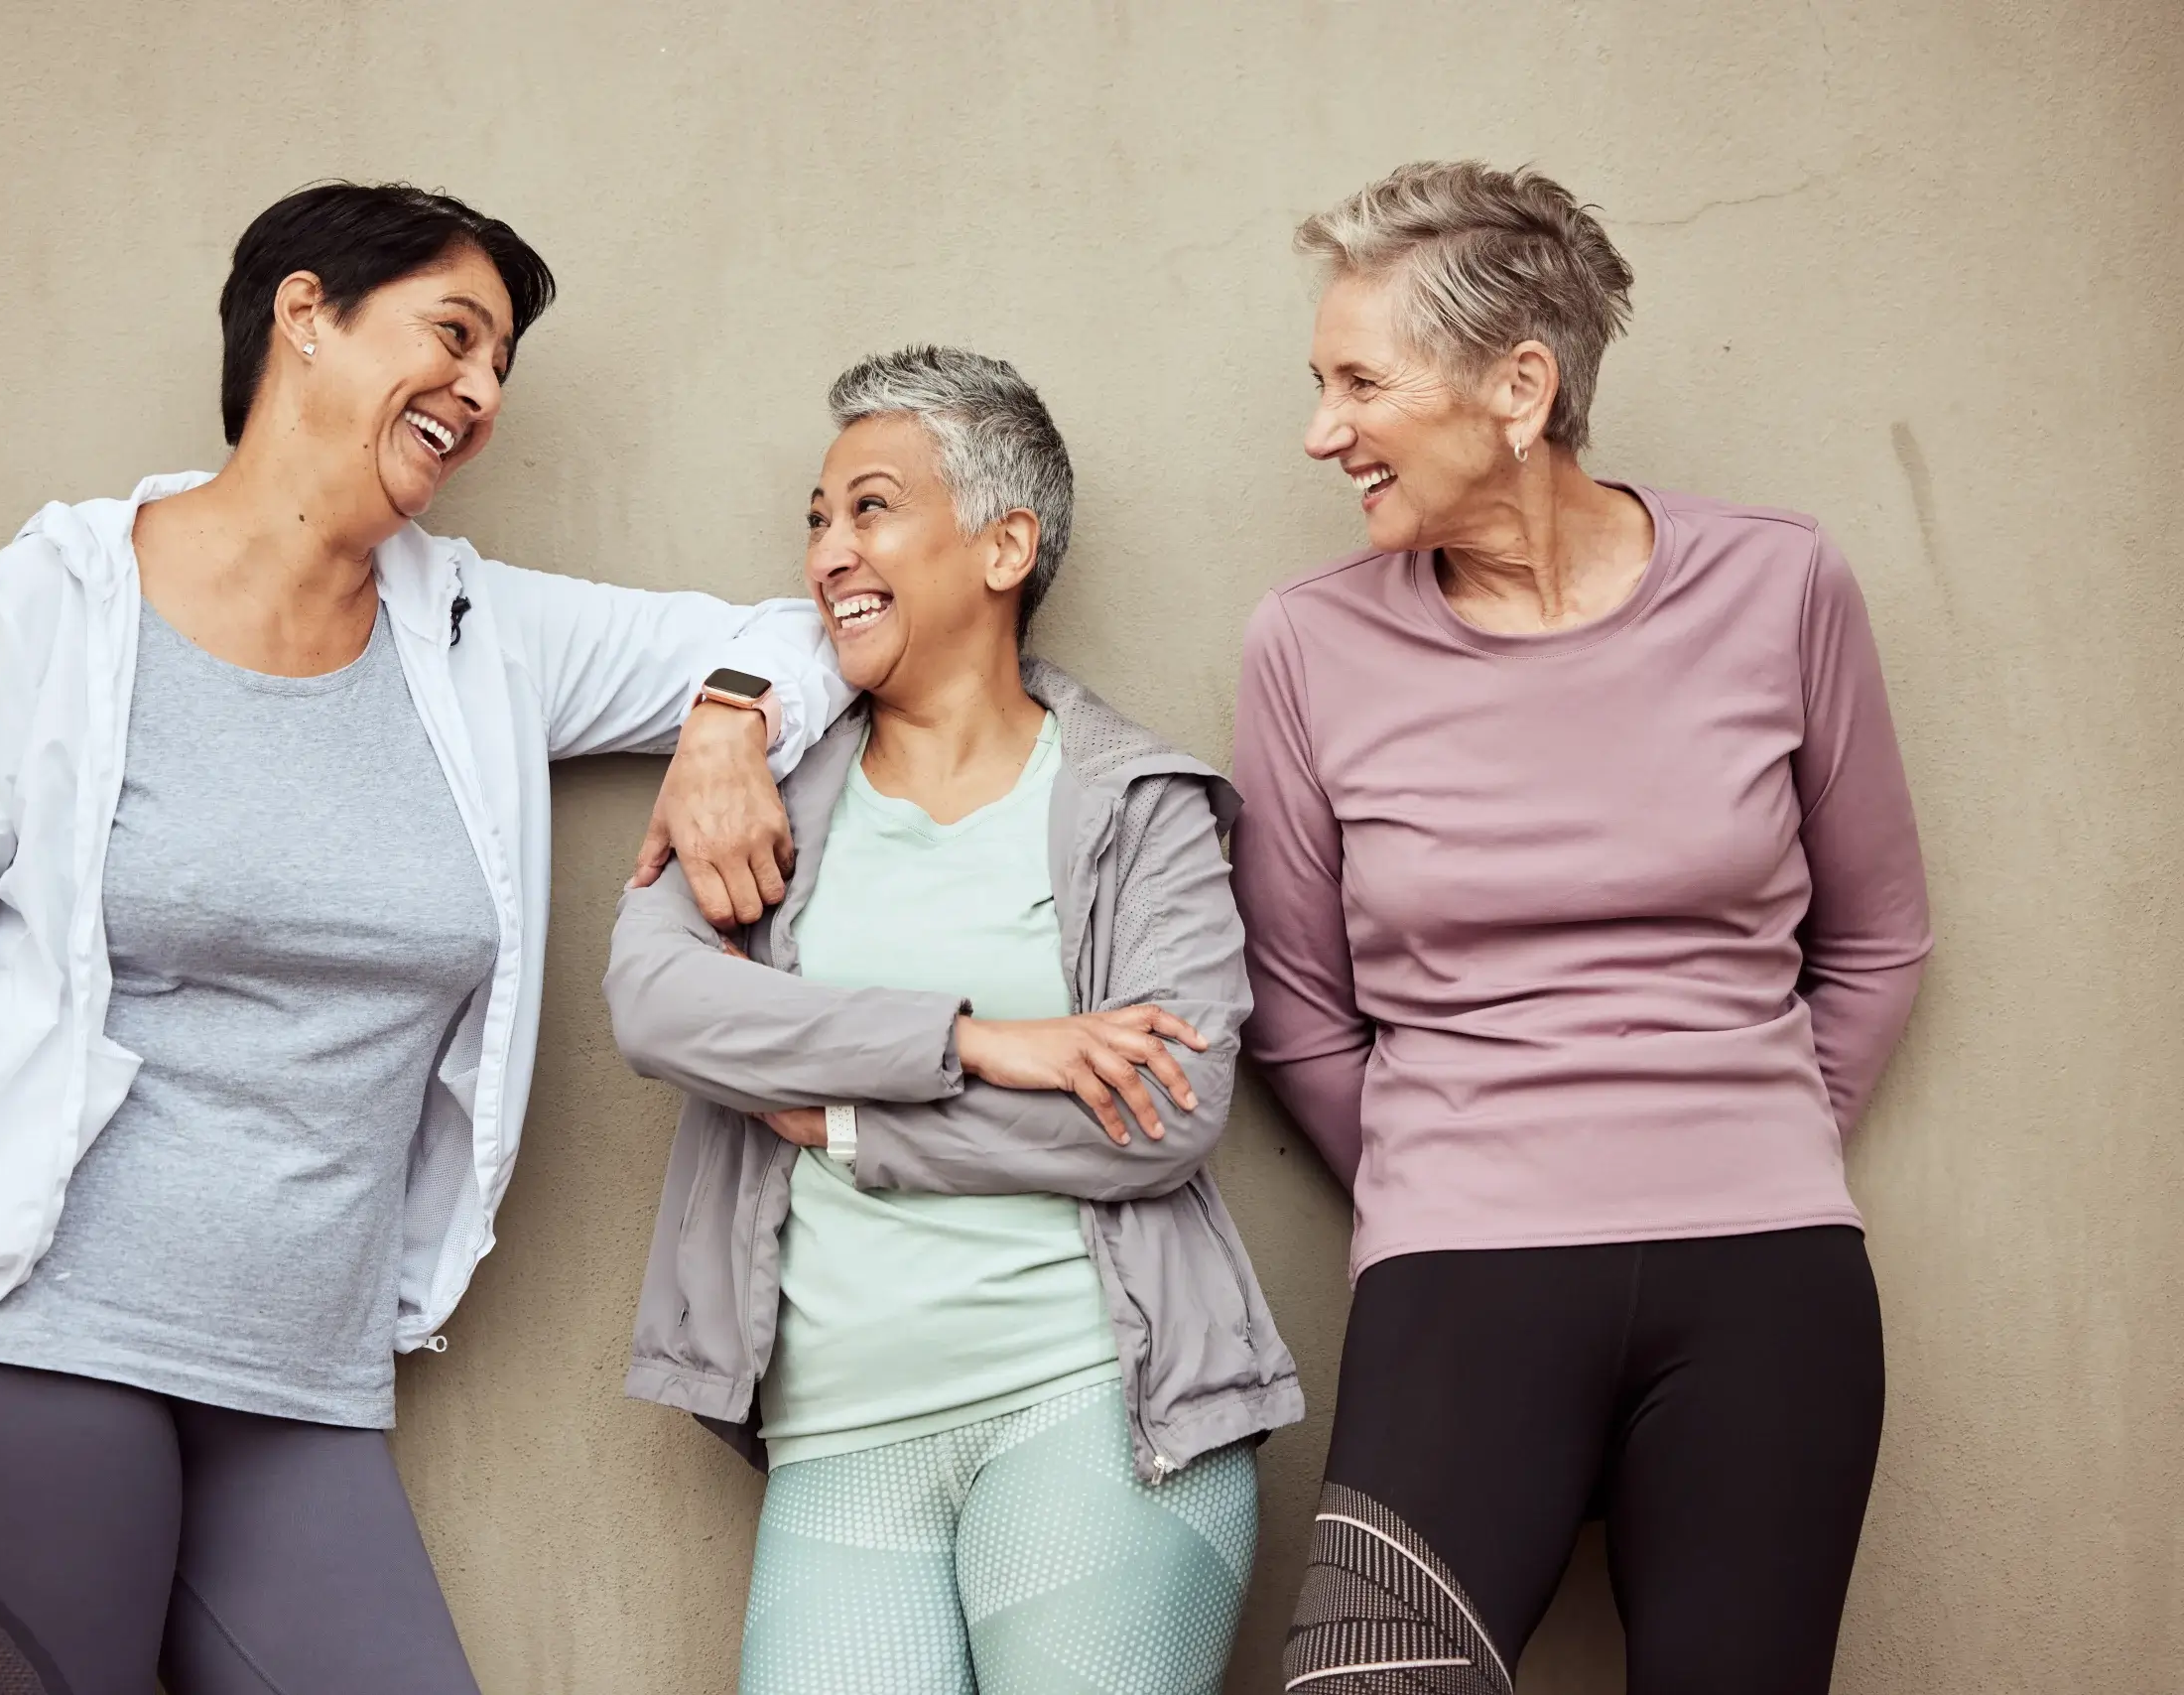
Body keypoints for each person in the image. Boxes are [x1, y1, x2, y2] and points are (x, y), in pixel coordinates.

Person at [0, 181, 848, 1695]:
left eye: (501, 369)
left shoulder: (480, 635)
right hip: (21, 1340)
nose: (479, 390)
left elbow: (815, 629)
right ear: (306, 314)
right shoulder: (52, 609)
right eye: (454, 336)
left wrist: (726, 723)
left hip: (301, 1383)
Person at [1235, 161, 1932, 1695]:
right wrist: (1455, 1165)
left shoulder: (1782, 583)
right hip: (1461, 1268)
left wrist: (1753, 1132)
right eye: (1318, 382)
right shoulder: (1308, 642)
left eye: (1360, 381)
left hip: (1764, 1275)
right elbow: (1295, 1005)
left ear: (1518, 388)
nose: (1321, 430)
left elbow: (1880, 937)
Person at [605, 346, 1303, 1695]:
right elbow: (656, 1000)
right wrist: (975, 1041)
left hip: (1093, 1410)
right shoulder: (764, 795)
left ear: (1005, 546)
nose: (827, 553)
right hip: (836, 1438)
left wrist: (857, 1126)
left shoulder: (1138, 804)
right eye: (816, 517)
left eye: (870, 507)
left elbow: (1165, 1115)